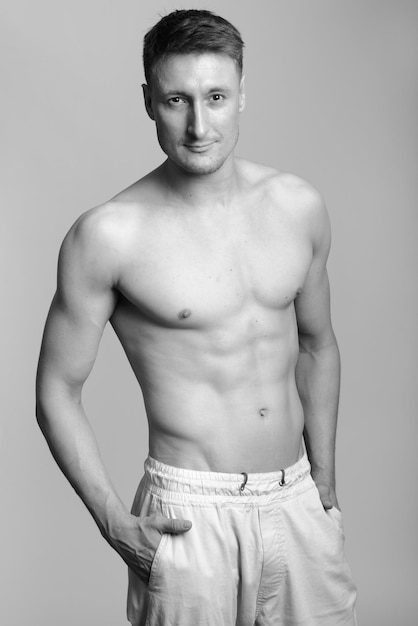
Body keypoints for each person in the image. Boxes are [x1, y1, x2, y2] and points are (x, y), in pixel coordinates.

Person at [36, 8, 357, 626]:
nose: (199, 124)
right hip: (189, 515)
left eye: (216, 97)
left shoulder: (298, 207)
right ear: (149, 102)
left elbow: (319, 346)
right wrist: (111, 519)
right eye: (176, 100)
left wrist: (325, 481)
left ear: (242, 93)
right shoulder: (107, 235)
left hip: (296, 504)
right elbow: (56, 386)